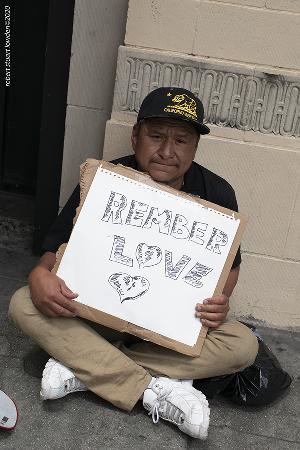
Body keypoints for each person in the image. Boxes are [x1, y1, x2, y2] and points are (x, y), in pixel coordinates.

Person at [9, 87, 258, 440]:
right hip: (98, 317)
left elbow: (229, 271)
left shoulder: (217, 192)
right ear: (136, 136)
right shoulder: (103, 179)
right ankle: (154, 390)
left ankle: (86, 367)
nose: (167, 151)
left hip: (164, 331)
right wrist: (38, 274)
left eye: (181, 141)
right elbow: (55, 247)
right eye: (156, 136)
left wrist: (219, 303)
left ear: (195, 147)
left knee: (242, 345)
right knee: (23, 303)